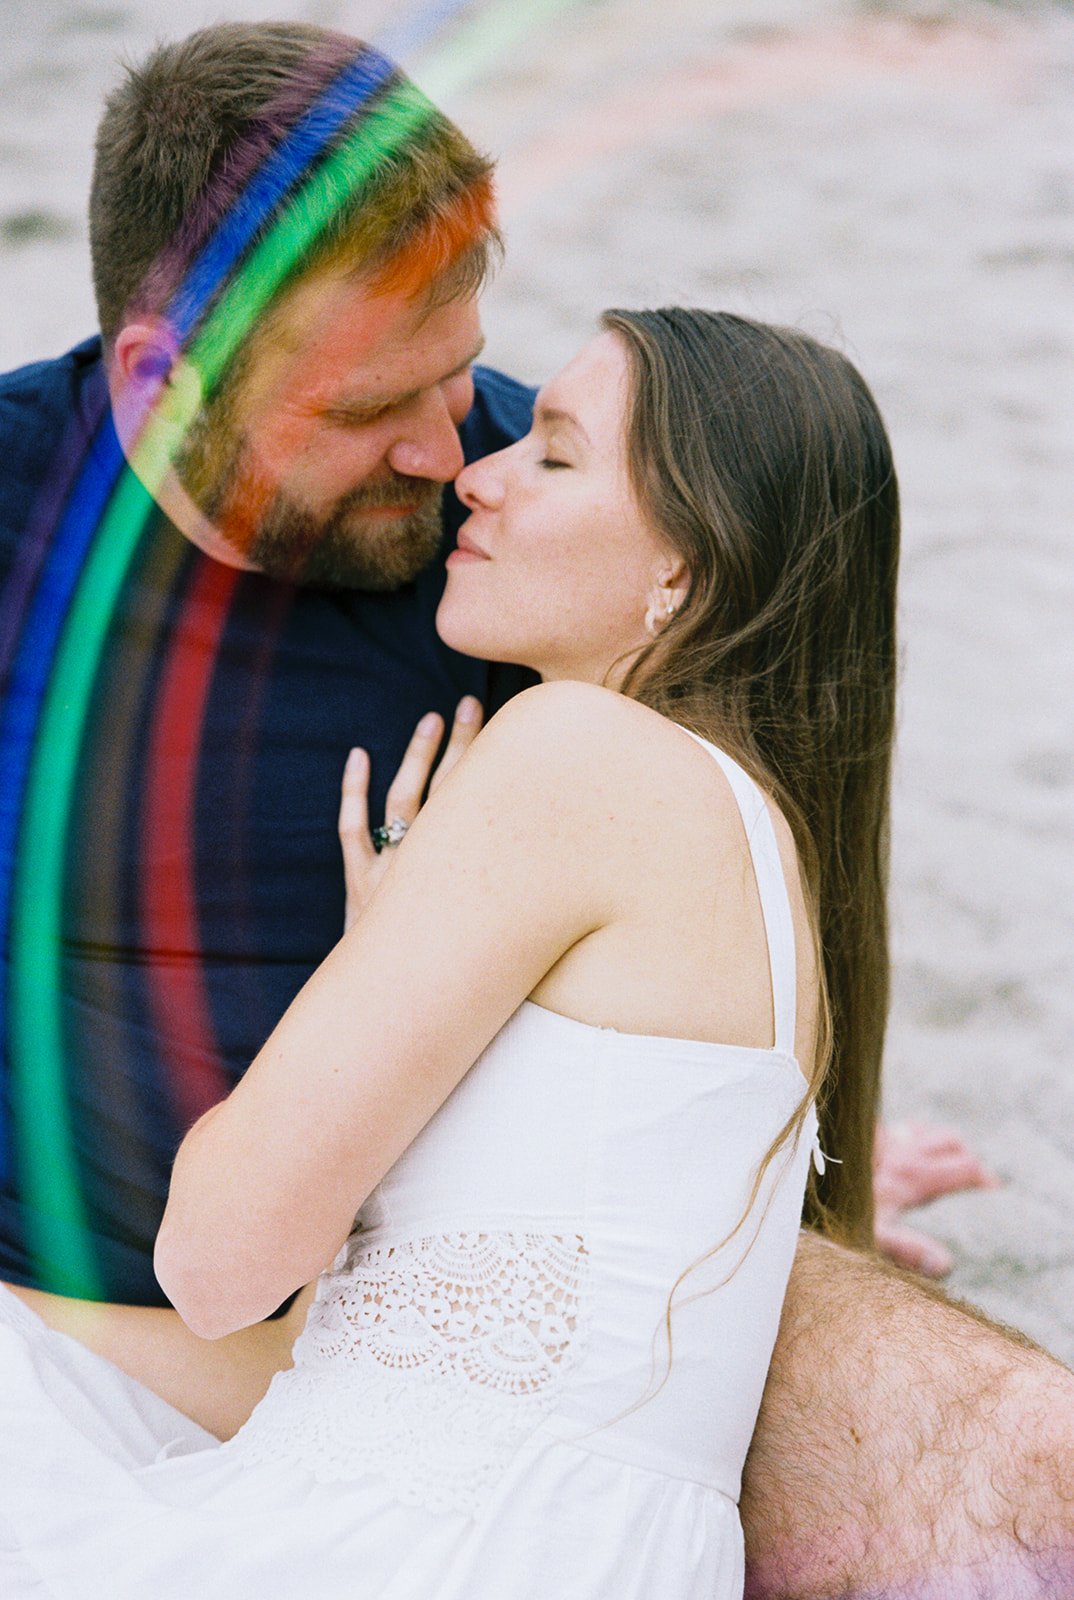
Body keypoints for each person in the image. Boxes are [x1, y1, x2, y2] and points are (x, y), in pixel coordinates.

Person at [0, 22, 1069, 1598]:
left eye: (462, 373)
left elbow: (753, 828)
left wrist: (765, 1155)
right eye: (372, 409)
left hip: (492, 1302)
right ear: (166, 379)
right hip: (105, 1321)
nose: (453, 454)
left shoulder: (542, 532)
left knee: (1007, 1461)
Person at [0, 296, 882, 1595]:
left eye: (554, 453)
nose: (479, 467)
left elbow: (215, 1260)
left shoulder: (566, 754)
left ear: (681, 571)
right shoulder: (769, 845)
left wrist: (367, 963)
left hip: (413, 1546)